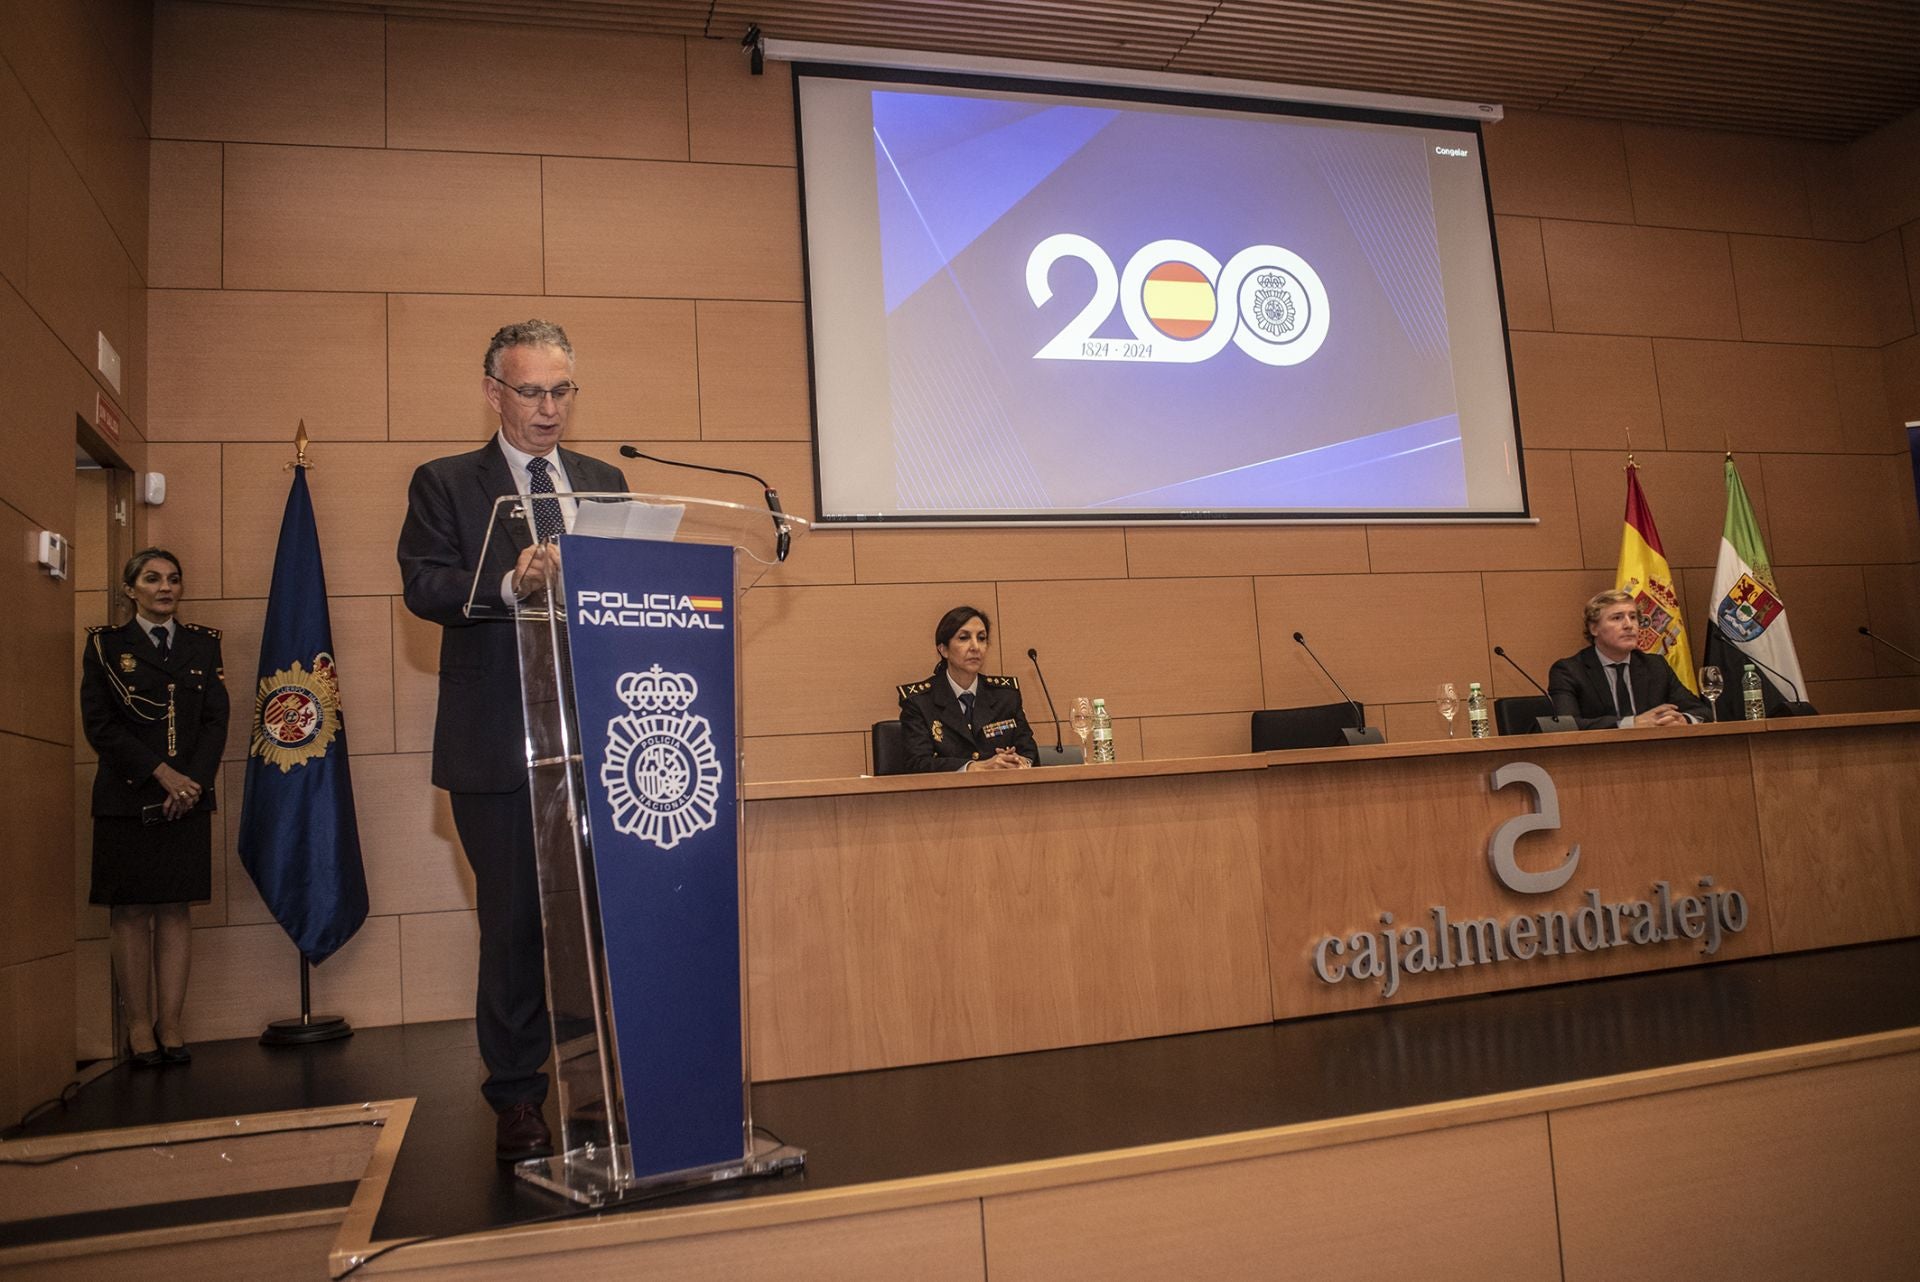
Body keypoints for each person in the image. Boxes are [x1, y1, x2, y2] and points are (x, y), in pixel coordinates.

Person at [396, 320, 627, 1161]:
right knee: (517, 923)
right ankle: (519, 1096)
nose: (549, 408)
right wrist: (508, 581)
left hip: (598, 743)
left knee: (601, 918)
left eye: (562, 390)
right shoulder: (448, 484)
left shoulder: (604, 481)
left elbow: (627, 594)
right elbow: (424, 584)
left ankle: (599, 1078)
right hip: (495, 745)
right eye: (531, 391)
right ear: (494, 392)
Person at [80, 549, 228, 1068]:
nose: (165, 587)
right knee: (131, 910)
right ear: (131, 589)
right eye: (152, 579)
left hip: (186, 799)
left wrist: (191, 785)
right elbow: (100, 725)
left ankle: (171, 1023)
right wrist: (159, 773)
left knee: (175, 909)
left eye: (173, 579)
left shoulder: (203, 646)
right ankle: (139, 1026)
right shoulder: (104, 646)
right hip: (127, 797)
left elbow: (214, 722)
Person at [897, 605, 1039, 772]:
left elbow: (1030, 752)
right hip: (946, 797)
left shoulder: (1005, 696)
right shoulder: (919, 701)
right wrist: (971, 767)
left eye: (981, 638)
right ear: (943, 649)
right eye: (964, 638)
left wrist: (1017, 762)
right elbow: (918, 763)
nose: (975, 647)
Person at [1548, 589, 1709, 731]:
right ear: (1594, 628)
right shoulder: (1569, 671)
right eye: (1617, 618)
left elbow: (1702, 711)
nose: (1629, 625)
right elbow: (1566, 725)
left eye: (1633, 617)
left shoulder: (1655, 666)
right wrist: (1631, 723)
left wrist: (1684, 720)